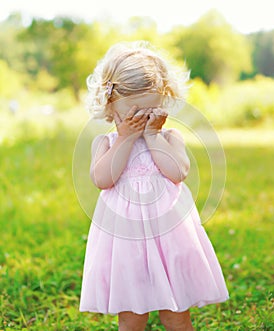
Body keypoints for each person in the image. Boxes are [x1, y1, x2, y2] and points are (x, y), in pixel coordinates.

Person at [79, 41, 229, 331]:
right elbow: (103, 179)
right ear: (111, 107)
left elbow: (177, 173)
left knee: (176, 314)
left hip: (169, 239)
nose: (142, 121)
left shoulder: (170, 138)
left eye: (150, 113)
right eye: (133, 115)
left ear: (163, 102)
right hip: (125, 243)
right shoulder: (106, 143)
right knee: (131, 316)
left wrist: (153, 137)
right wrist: (124, 139)